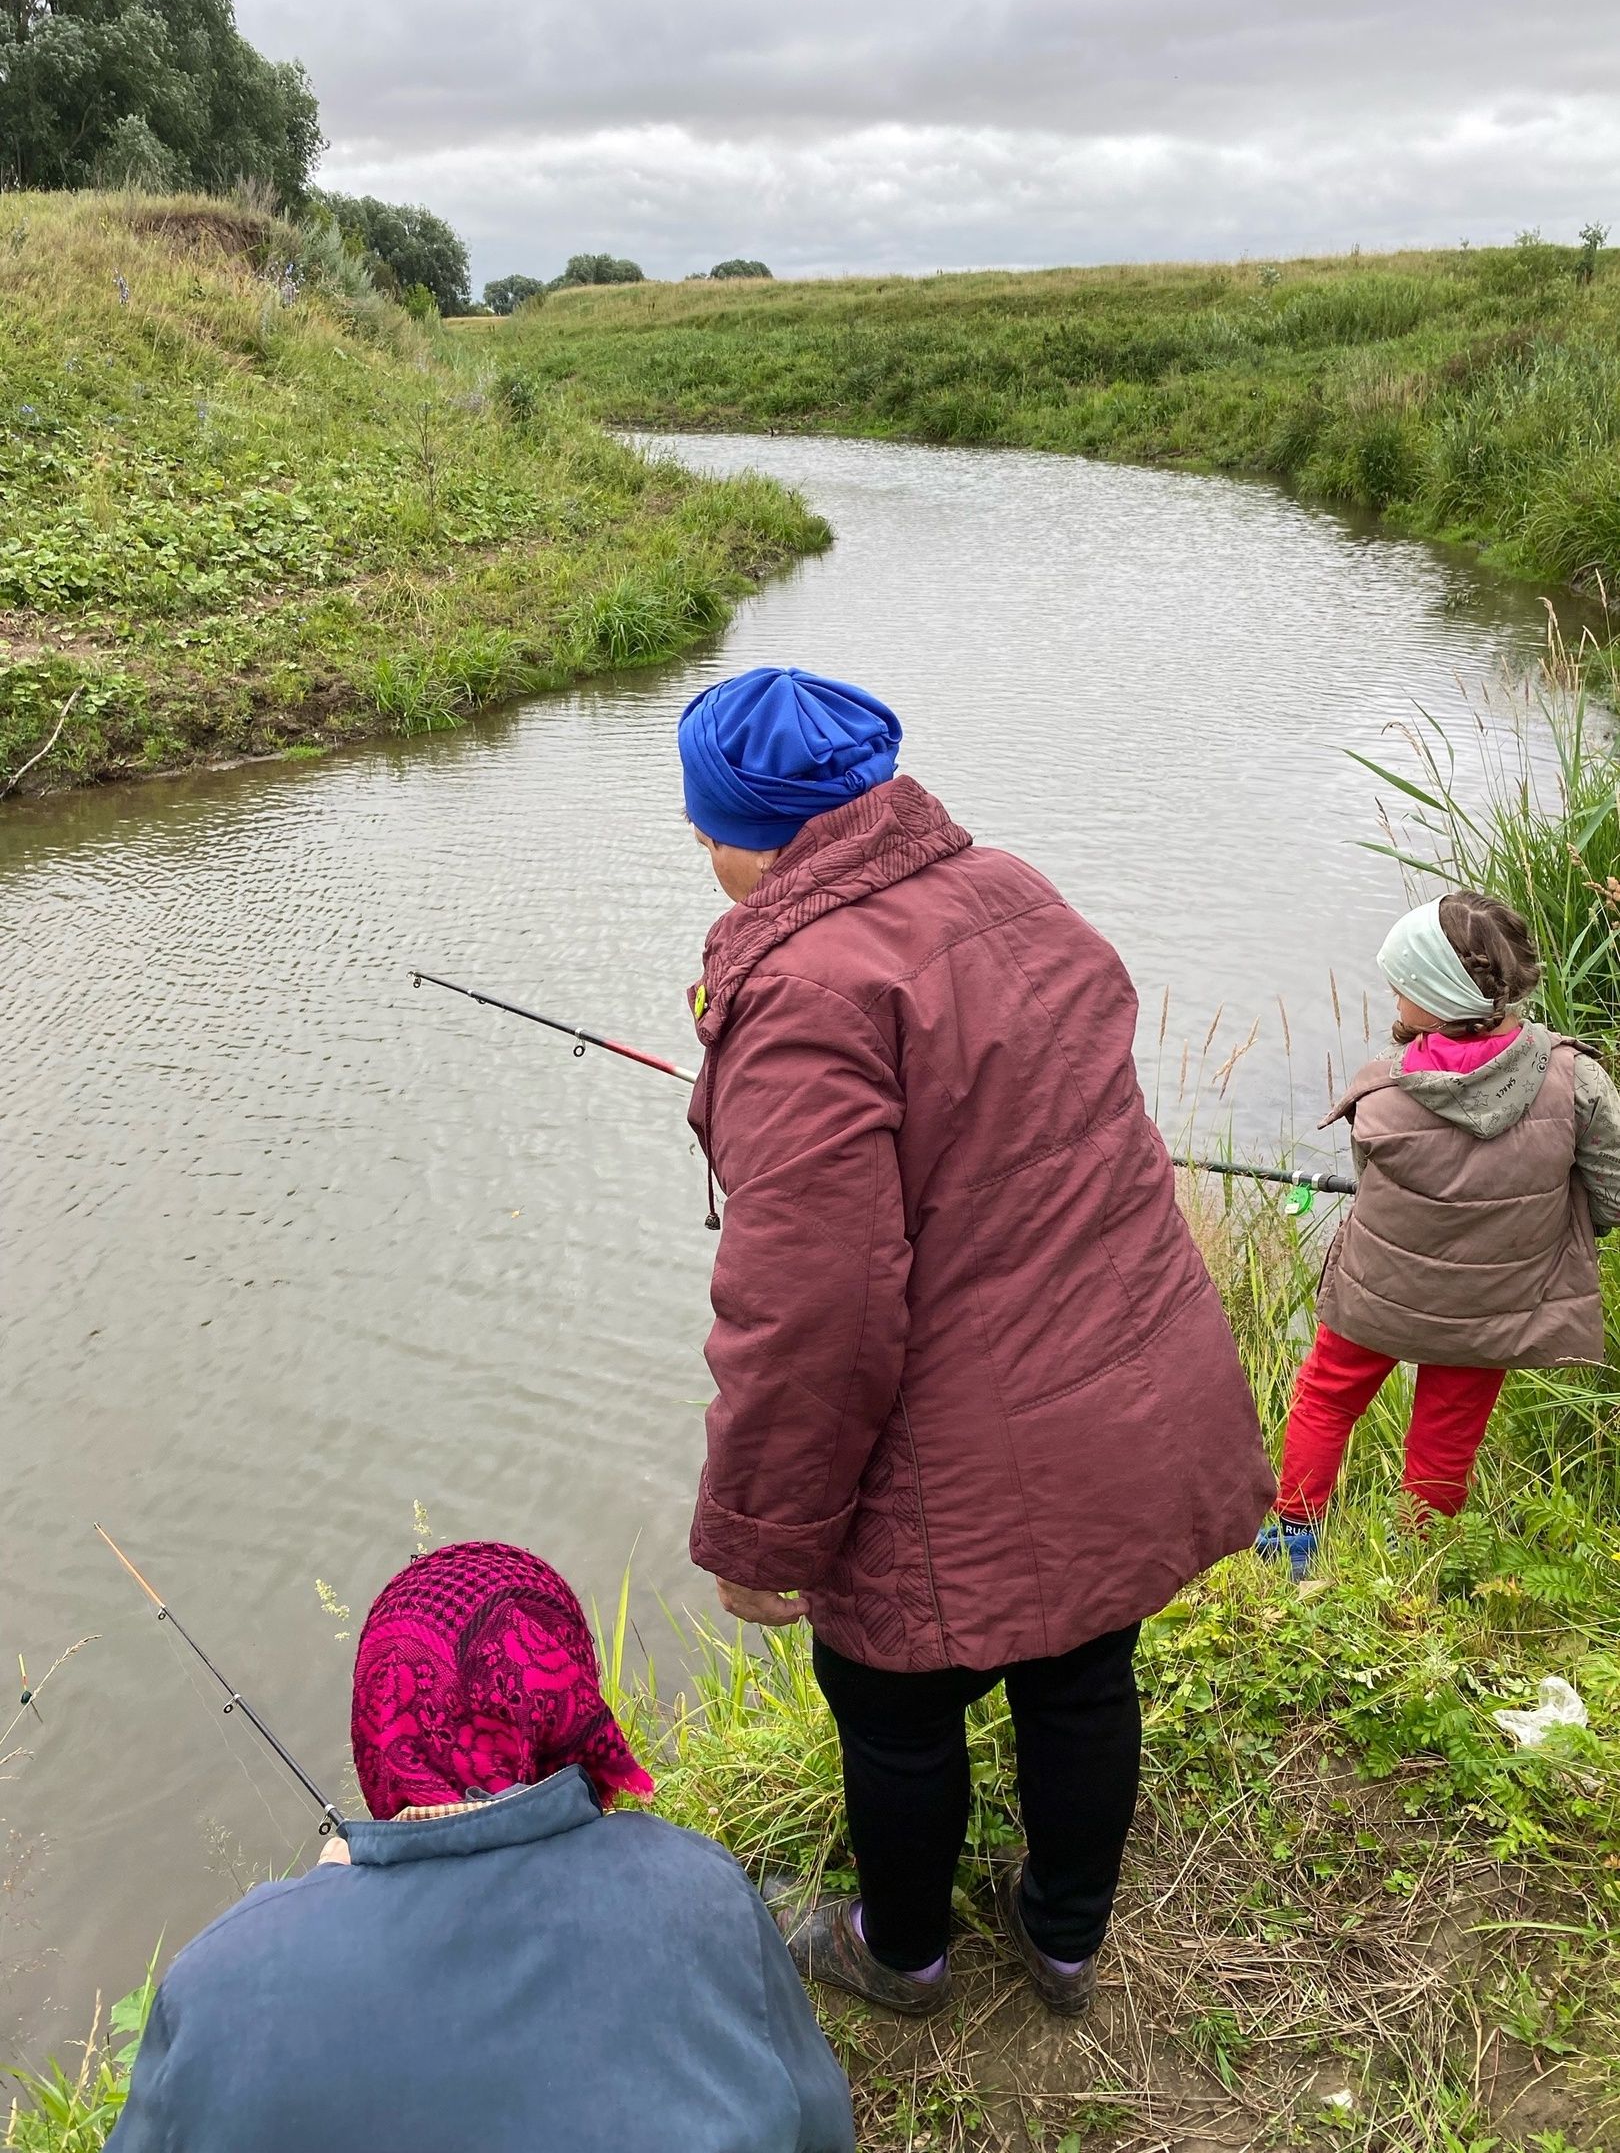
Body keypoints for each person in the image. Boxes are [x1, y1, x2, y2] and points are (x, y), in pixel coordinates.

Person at [677, 664, 1274, 2019]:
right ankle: (1064, 1939)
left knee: (893, 1705)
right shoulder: (1016, 888)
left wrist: (764, 1537)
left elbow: (807, 1308)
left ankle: (902, 1954)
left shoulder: (808, 989)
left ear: (749, 833)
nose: (700, 852)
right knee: (1082, 1674)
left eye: (700, 826)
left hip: (954, 1436)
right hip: (1117, 1380)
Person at [109, 1542, 856, 2153]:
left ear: (379, 1716)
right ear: (567, 1700)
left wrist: (304, 1912)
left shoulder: (219, 1980)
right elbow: (820, 2128)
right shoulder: (699, 1885)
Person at [1257, 891, 1620, 1579]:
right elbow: (1612, 1194)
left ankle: (1295, 1538)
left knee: (1328, 1396)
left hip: (1378, 1294)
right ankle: (1415, 1562)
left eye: (1404, 987)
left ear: (1438, 993)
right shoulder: (1579, 1079)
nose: (1394, 999)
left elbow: (1374, 1190)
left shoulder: (1382, 1094)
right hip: (1493, 1300)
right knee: (1450, 1427)